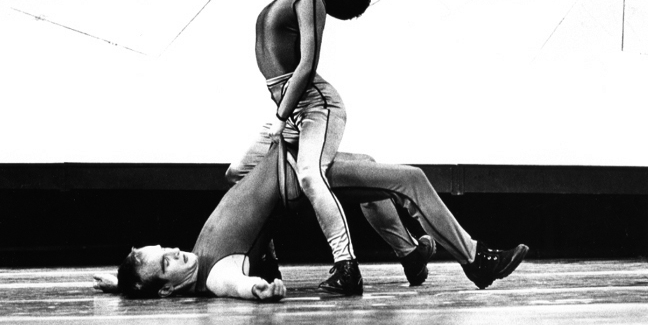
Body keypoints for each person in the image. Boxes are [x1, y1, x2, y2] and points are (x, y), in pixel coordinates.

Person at [93, 141, 529, 301]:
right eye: (166, 262)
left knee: (371, 169)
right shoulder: (215, 273)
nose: (174, 252)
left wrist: (124, 283)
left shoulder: (190, 262)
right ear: (170, 288)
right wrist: (257, 290)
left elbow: (148, 282)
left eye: (164, 249)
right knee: (410, 179)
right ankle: (476, 259)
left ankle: (410, 254)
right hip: (300, 177)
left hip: (293, 165)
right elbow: (235, 284)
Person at [228, 0, 377, 295]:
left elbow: (307, 65)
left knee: (311, 174)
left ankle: (347, 266)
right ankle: (266, 258)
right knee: (239, 172)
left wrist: (281, 117)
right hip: (294, 109)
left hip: (314, 106)